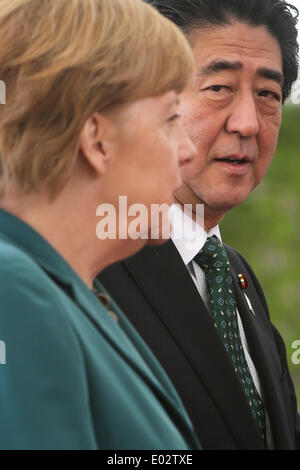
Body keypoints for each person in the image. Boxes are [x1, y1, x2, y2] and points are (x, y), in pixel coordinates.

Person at [0, 0, 201, 450]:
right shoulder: (13, 290)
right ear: (96, 140)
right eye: (170, 118)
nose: (187, 149)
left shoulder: (70, 289)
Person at [99, 0, 300, 450]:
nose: (248, 122)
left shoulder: (234, 275)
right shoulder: (94, 266)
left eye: (268, 94)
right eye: (218, 88)